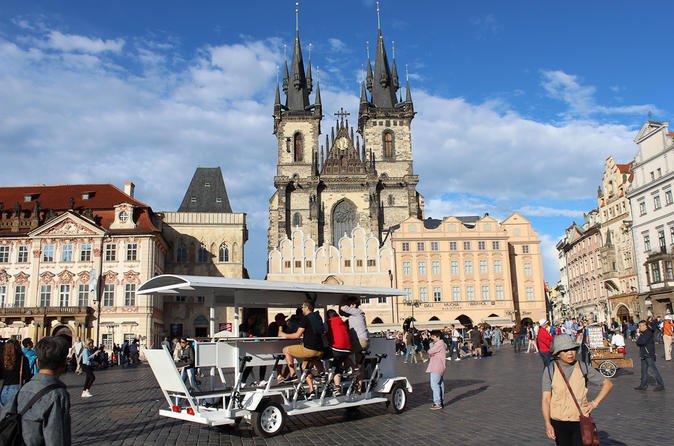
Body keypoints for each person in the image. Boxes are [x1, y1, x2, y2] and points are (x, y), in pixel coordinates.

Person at [541, 334, 613, 445]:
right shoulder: (550, 370)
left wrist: (594, 403)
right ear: (558, 353)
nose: (570, 353)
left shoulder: (583, 367)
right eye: (565, 350)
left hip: (579, 420)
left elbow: (607, 384)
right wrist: (547, 423)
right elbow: (546, 399)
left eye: (573, 349)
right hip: (559, 421)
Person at [1, 336, 71, 445]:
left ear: (37, 363)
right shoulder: (58, 394)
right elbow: (56, 437)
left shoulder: (24, 389)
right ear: (64, 364)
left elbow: (4, 417)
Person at [277, 300, 324, 387]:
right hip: (320, 350)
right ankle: (311, 390)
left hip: (310, 349)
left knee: (285, 350)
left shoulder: (306, 318)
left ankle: (293, 374)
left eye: (302, 307)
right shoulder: (318, 317)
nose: (301, 309)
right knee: (304, 367)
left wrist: (283, 334)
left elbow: (297, 335)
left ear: (306, 308)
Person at [325, 309, 352, 396]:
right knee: (337, 364)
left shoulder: (329, 322)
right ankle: (337, 385)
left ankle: (322, 375)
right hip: (347, 350)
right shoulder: (342, 321)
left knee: (318, 355)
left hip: (337, 349)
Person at [634, 320, 665, 391]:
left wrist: (638, 341)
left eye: (640, 326)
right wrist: (638, 341)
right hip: (643, 354)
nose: (639, 327)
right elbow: (639, 342)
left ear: (645, 326)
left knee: (653, 370)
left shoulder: (648, 333)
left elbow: (641, 342)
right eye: (639, 326)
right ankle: (643, 385)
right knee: (643, 371)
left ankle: (661, 385)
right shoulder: (643, 333)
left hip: (648, 354)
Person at [1, 339, 32, 408]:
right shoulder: (23, 359)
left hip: (4, 388)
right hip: (16, 388)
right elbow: (27, 376)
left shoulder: (3, 359)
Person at [426, 330, 447, 410]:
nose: (432, 338)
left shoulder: (439, 343)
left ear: (438, 337)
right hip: (440, 366)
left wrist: (431, 351)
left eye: (433, 336)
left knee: (434, 385)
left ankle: (437, 403)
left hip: (436, 366)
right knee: (440, 384)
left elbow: (430, 351)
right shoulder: (441, 343)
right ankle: (441, 401)